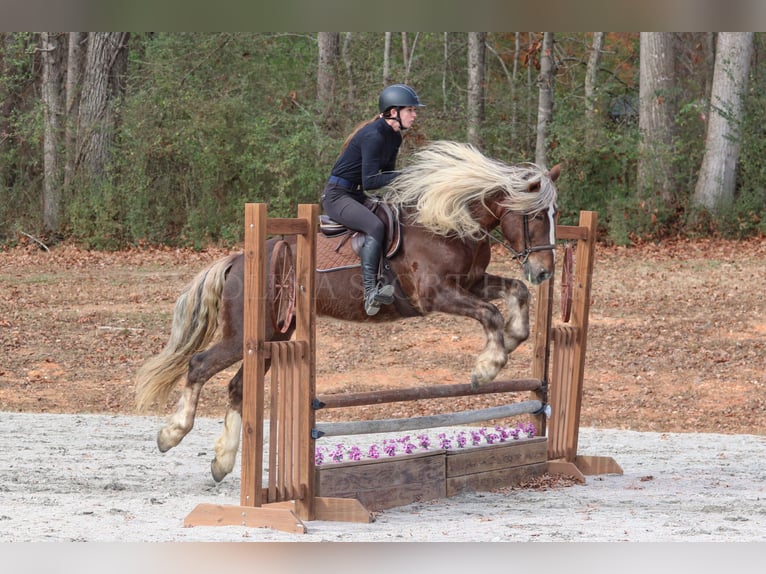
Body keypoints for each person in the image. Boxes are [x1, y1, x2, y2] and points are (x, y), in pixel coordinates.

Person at [321, 83, 425, 316]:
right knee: (375, 226)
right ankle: (370, 291)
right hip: (338, 196)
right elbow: (371, 181)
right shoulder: (374, 136)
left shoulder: (394, 137)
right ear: (392, 112)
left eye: (414, 110)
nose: (414, 115)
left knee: (394, 218)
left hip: (356, 195)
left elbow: (387, 176)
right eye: (410, 110)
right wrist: (409, 174)